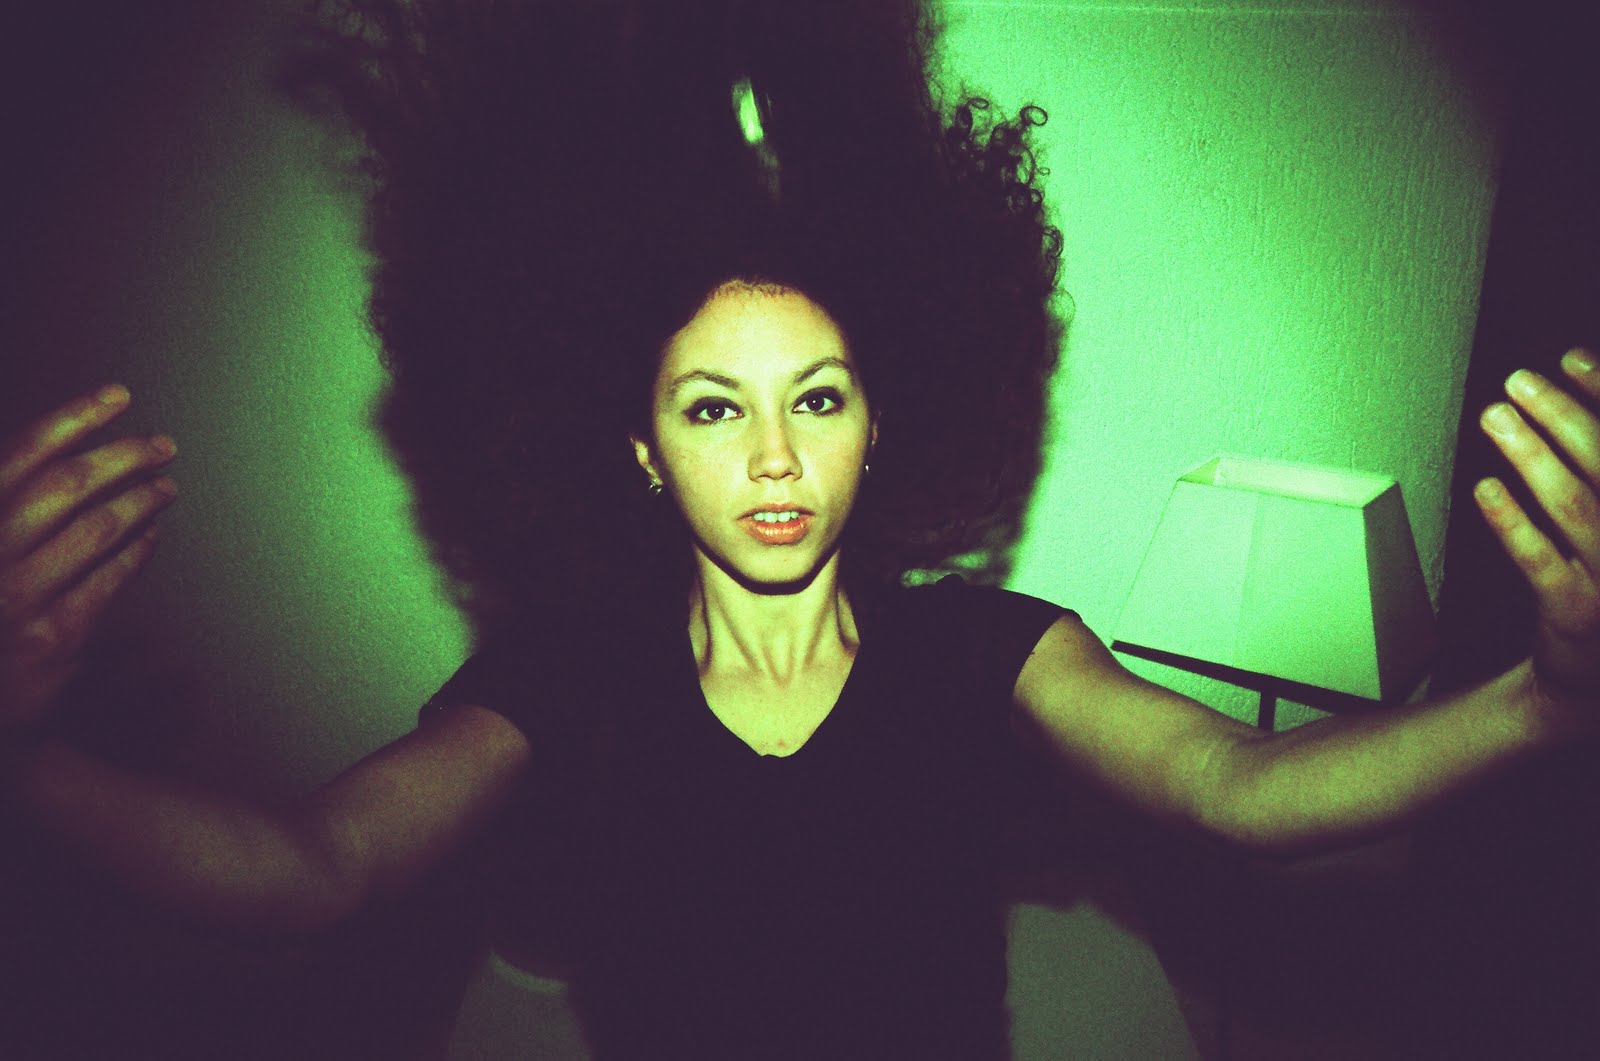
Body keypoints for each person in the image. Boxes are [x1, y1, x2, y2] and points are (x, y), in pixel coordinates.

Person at [2, 1, 1598, 1058]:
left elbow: (1235, 789)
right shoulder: (565, 682)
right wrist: (23, 758)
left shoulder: (990, 652)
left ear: (883, 420)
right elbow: (313, 868)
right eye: (714, 408)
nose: (774, 454)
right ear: (640, 451)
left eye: (817, 397)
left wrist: (1539, 703)